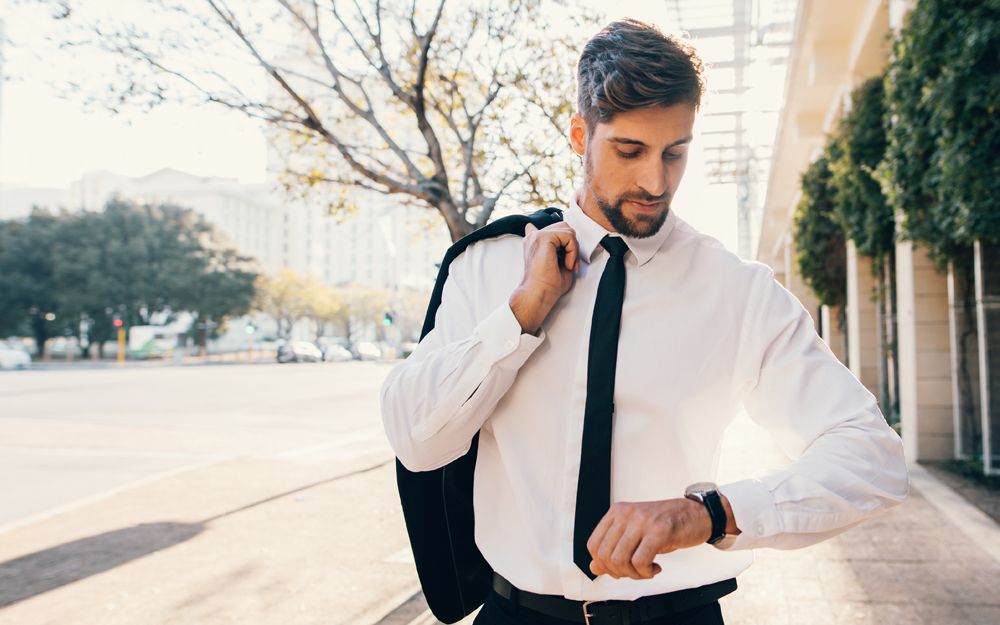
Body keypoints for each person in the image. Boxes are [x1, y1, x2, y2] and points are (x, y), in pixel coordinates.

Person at [380, 17, 909, 625]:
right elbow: (417, 440)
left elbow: (872, 456)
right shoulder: (489, 265)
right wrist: (521, 314)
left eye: (674, 153)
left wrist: (710, 514)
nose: (655, 182)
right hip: (516, 614)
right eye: (629, 151)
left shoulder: (737, 290)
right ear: (580, 135)